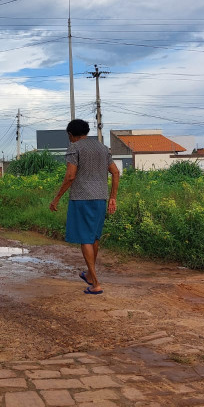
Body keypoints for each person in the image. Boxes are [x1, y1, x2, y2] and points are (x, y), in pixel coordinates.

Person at [49, 119, 120, 295]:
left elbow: (71, 175)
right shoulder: (102, 148)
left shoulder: (75, 147)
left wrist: (56, 198)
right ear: (86, 132)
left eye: (69, 136)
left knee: (85, 239)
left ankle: (96, 283)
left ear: (71, 135)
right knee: (94, 238)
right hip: (100, 198)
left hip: (82, 199)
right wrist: (113, 198)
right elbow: (116, 172)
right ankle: (89, 274)